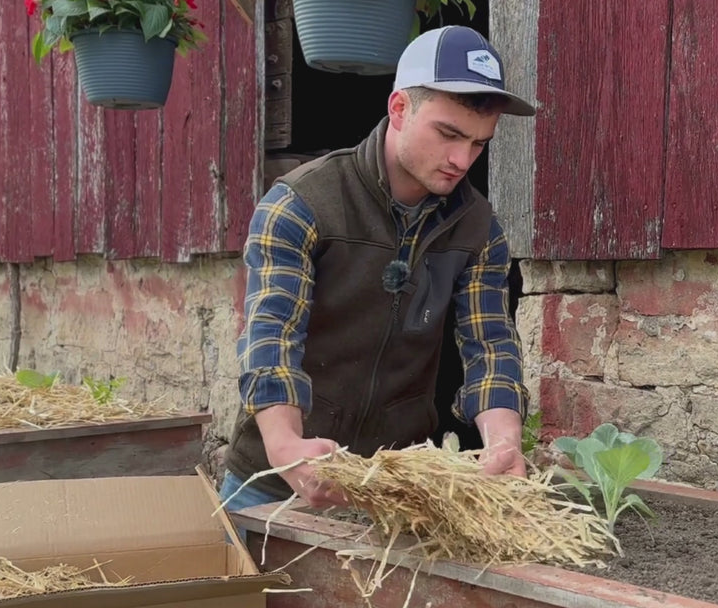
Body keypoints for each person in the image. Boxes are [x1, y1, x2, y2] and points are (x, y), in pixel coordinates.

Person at [219, 25, 537, 514]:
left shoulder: (479, 229)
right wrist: (285, 447)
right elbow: (272, 336)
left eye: (478, 143)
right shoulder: (302, 203)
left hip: (394, 486)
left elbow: (489, 344)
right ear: (399, 109)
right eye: (449, 134)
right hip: (272, 480)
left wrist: (503, 443)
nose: (461, 160)